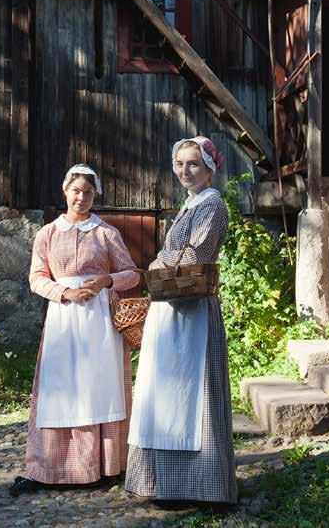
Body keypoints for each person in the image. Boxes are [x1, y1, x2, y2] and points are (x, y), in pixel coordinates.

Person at [10, 164, 140, 496]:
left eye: (89, 192)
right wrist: (64, 292)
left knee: (99, 386)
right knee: (61, 388)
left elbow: (132, 274)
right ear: (65, 191)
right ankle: (49, 468)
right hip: (64, 319)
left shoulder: (106, 233)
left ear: (95, 195)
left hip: (99, 320)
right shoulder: (48, 234)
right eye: (76, 191)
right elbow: (36, 278)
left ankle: (106, 467)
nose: (82, 197)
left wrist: (106, 281)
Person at [125, 136, 237, 508]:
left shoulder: (212, 204)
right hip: (170, 308)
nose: (185, 171)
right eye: (179, 164)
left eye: (193, 164)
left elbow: (195, 255)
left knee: (191, 394)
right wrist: (162, 260)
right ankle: (164, 483)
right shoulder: (189, 205)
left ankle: (200, 486)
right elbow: (170, 254)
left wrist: (159, 262)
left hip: (192, 312)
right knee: (164, 393)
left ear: (209, 169)